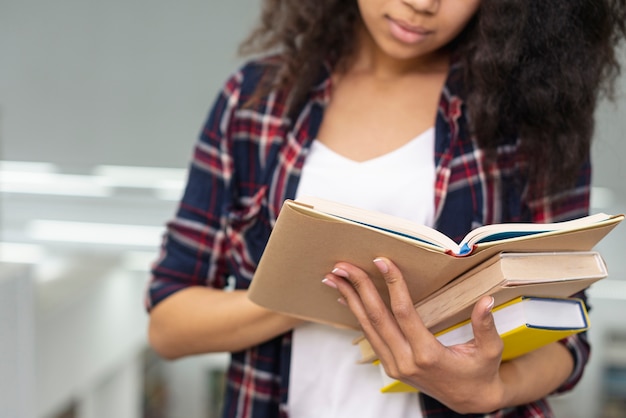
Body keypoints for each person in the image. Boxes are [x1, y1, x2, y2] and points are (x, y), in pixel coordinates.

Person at [146, 0, 626, 417]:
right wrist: (324, 288)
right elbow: (169, 325)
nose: (422, 5)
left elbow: (566, 328)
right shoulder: (256, 101)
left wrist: (492, 390)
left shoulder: (530, 113)